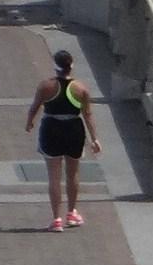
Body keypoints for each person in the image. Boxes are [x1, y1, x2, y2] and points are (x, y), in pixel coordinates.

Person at [23, 47, 103, 232]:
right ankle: (72, 212)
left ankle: (56, 218)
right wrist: (95, 138)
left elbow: (34, 107)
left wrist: (29, 122)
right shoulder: (81, 88)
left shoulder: (46, 86)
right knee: (73, 173)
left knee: (54, 176)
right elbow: (88, 114)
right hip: (74, 129)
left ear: (55, 66)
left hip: (51, 128)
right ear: (71, 66)